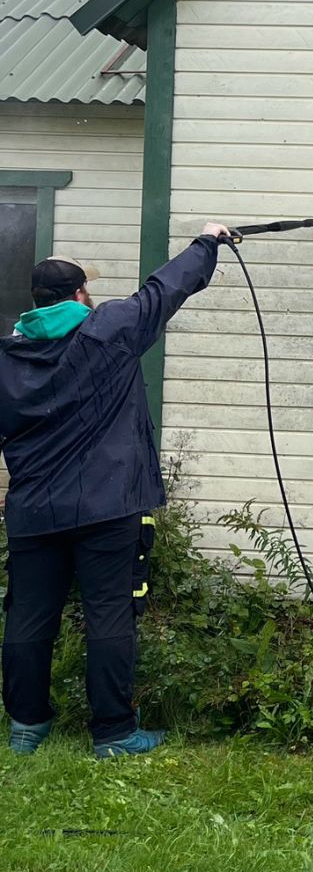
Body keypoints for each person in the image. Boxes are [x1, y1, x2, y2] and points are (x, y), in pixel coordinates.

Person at [1, 227, 231, 758]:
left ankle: (26, 727)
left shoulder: (9, 358)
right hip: (108, 507)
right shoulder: (109, 330)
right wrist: (207, 242)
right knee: (108, 612)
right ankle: (114, 734)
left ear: (35, 301)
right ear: (81, 295)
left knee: (30, 614)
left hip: (35, 509)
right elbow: (165, 289)